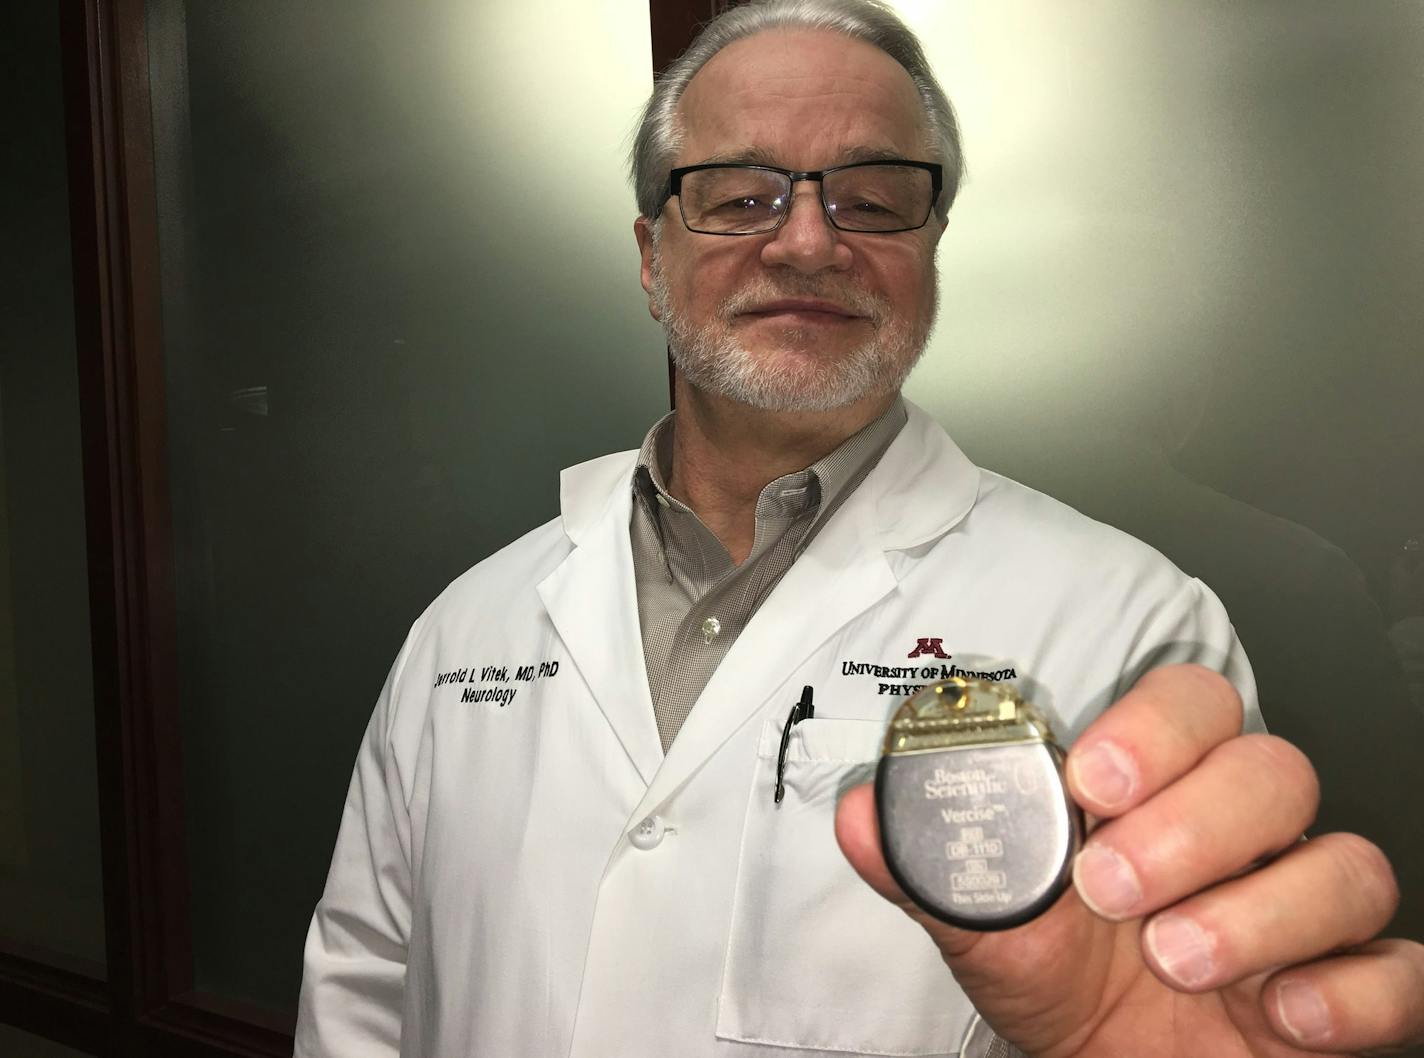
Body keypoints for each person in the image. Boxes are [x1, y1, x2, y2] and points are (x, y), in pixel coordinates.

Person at [294, 2, 1424, 1055]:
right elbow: (362, 987)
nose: (803, 241)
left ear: (928, 251)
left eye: (871, 196)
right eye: (737, 194)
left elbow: (1173, 997)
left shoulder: (1128, 621)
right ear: (651, 259)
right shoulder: (463, 629)